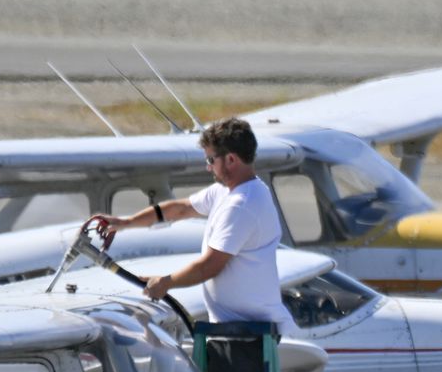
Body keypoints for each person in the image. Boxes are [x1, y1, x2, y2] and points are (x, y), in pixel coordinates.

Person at [87, 117, 294, 333]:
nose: (208, 168)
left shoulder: (241, 205)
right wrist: (125, 223)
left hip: (253, 334)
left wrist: (165, 283)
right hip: (238, 329)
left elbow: (209, 266)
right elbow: (181, 208)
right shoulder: (226, 191)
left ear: (231, 159)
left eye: (211, 160)